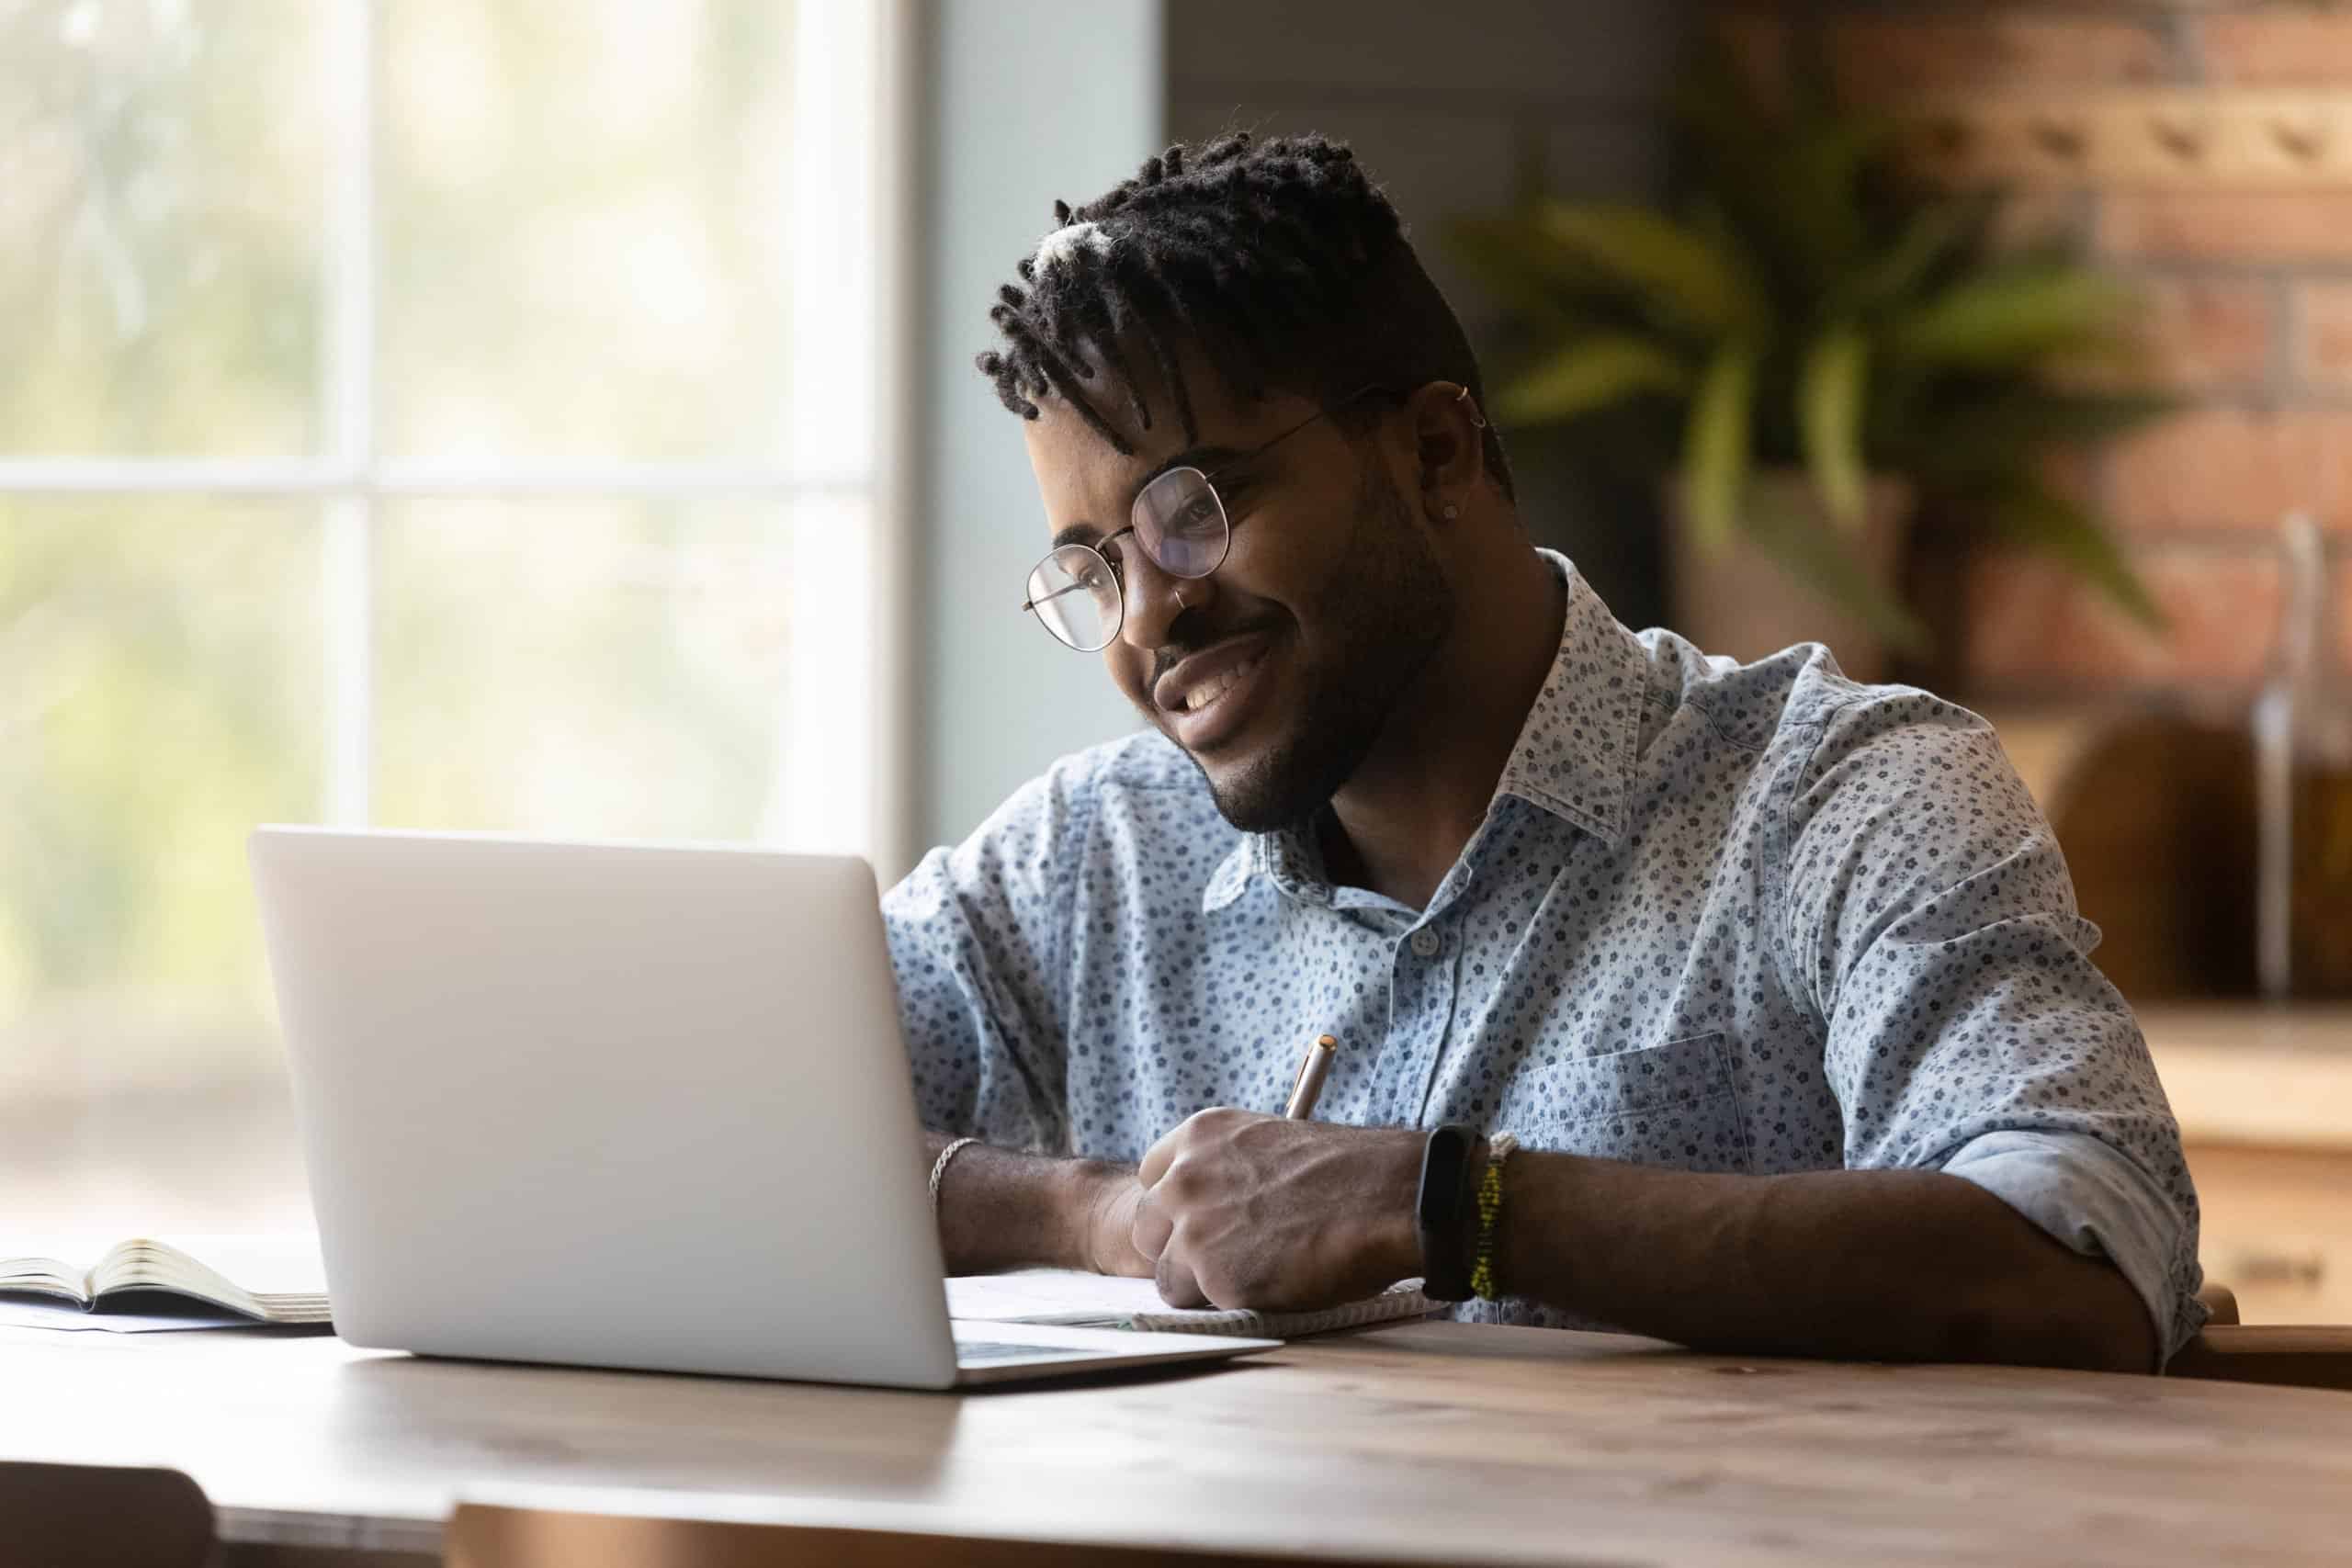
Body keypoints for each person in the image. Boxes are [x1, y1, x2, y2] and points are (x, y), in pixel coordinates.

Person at [884, 131, 2201, 1372]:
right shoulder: (1092, 857)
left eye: (1197, 510)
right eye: (1092, 568)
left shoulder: (1847, 801)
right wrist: (1095, 1213)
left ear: (1437, 451)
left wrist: (1457, 1205)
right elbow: (728, 1122)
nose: (1152, 615)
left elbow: (2079, 1257)